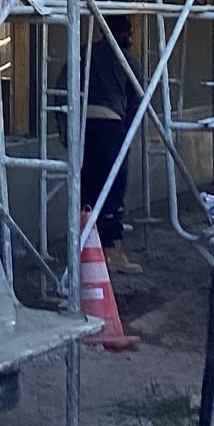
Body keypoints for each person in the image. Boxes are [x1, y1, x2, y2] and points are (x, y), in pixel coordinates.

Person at [81, 14, 141, 274]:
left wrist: (63, 128)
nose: (132, 39)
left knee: (88, 190)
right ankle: (113, 252)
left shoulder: (85, 54)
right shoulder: (126, 61)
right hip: (111, 125)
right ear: (121, 34)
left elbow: (64, 84)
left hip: (84, 126)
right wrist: (126, 137)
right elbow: (138, 100)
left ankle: (85, 249)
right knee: (113, 190)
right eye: (129, 33)